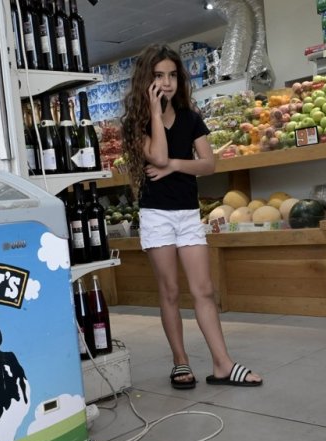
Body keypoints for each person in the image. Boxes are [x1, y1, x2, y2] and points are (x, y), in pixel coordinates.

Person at [120, 44, 262, 390]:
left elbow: (208, 164)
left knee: (204, 290)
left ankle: (223, 364)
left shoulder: (190, 117)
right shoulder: (136, 122)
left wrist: (174, 167)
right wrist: (155, 111)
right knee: (169, 292)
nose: (166, 82)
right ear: (146, 80)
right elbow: (156, 154)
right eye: (158, 76)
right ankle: (180, 362)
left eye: (171, 75)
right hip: (156, 215)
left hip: (187, 213)